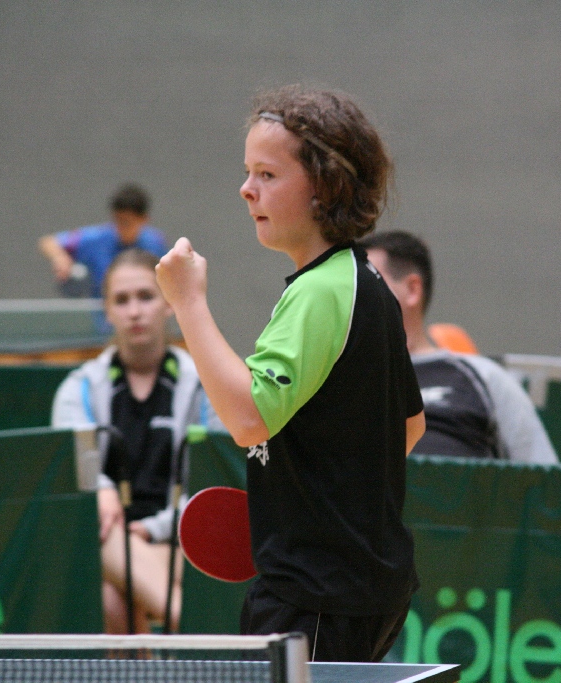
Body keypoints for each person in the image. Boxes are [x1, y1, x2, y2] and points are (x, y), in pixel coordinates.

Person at [155, 84, 425, 663]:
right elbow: (410, 425)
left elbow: (249, 419)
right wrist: (319, 493)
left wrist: (187, 303)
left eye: (268, 174)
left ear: (325, 186)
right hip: (365, 589)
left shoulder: (319, 292)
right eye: (247, 172)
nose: (246, 188)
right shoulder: (367, 282)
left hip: (314, 594)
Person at [51, 248, 203, 634]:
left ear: (168, 304)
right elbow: (72, 478)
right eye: (121, 300)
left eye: (146, 296)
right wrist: (101, 491)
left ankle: (188, 626)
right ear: (107, 311)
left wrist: (156, 529)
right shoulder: (78, 390)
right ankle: (195, 628)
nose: (134, 311)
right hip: (107, 541)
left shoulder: (203, 386)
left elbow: (211, 489)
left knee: (112, 593)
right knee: (105, 579)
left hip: (182, 543)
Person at [359, 230, 558, 464]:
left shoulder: (482, 375)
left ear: (412, 290)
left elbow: (542, 474)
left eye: (368, 282)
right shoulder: (343, 377)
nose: (353, 295)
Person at [38, 183, 169, 299]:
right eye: (117, 221)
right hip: (103, 316)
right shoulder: (95, 239)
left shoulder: (155, 242)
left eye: (127, 222)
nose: (120, 228)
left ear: (144, 219)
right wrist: (60, 257)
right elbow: (49, 242)